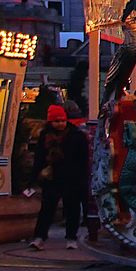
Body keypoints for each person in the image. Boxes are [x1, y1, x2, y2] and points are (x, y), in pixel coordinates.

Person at [27, 105, 90, 250]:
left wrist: (82, 176)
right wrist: (34, 177)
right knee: (47, 208)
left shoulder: (76, 135)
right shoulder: (45, 137)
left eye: (62, 120)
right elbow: (40, 158)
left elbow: (83, 157)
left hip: (71, 177)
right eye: (57, 121)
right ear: (50, 122)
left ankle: (71, 237)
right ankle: (39, 237)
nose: (60, 124)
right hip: (52, 177)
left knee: (72, 208)